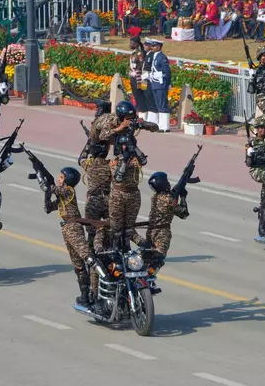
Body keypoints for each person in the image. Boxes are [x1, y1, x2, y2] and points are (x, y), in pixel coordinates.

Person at [97, 101, 158, 247]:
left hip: (132, 148)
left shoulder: (133, 122)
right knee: (116, 226)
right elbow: (103, 136)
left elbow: (155, 128)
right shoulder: (113, 121)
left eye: (131, 118)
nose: (129, 120)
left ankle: (126, 246)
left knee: (128, 226)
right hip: (119, 150)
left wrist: (144, 124)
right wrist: (119, 128)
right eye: (127, 118)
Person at [46, 167, 99, 309]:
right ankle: (85, 295)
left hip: (73, 227)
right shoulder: (63, 197)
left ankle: (96, 291)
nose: (59, 179)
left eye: (61, 177)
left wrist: (45, 182)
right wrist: (46, 195)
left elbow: (55, 189)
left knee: (87, 257)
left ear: (68, 180)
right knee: (78, 265)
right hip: (66, 229)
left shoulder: (69, 190)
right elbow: (48, 208)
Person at [143, 172, 190, 293]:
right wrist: (183, 197)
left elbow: (169, 197)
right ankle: (147, 281)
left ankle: (146, 280)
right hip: (162, 232)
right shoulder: (168, 199)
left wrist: (176, 191)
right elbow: (183, 214)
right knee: (159, 259)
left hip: (151, 231)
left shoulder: (155, 197)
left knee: (149, 259)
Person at [79, 113, 112, 249]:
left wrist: (90, 141)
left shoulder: (89, 164)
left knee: (92, 233)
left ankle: (93, 254)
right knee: (109, 231)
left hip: (93, 200)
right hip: (108, 200)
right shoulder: (111, 165)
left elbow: (80, 158)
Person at [246, 117, 265, 238]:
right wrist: (249, 153)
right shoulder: (252, 143)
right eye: (261, 128)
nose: (263, 130)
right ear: (256, 129)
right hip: (258, 169)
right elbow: (249, 164)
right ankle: (263, 225)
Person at [148, 40, 172, 132]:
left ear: (159, 47)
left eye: (154, 46)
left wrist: (168, 83)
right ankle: (160, 125)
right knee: (158, 105)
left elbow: (167, 71)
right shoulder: (155, 56)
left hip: (161, 84)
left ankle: (165, 126)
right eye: (152, 46)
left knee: (162, 105)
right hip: (155, 83)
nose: (153, 47)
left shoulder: (162, 57)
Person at [128, 36, 148, 120]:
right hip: (133, 77)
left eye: (132, 43)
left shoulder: (140, 53)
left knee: (141, 95)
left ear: (136, 44)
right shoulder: (133, 52)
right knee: (136, 95)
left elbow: (142, 65)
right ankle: (140, 112)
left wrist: (135, 66)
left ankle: (144, 113)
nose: (130, 44)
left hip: (139, 78)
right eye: (130, 43)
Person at [141, 39, 160, 124]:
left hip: (148, 80)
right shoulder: (147, 54)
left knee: (150, 98)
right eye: (144, 44)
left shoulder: (152, 55)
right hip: (143, 80)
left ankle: (153, 119)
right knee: (145, 97)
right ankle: (148, 117)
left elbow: (150, 69)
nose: (144, 46)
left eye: (146, 44)